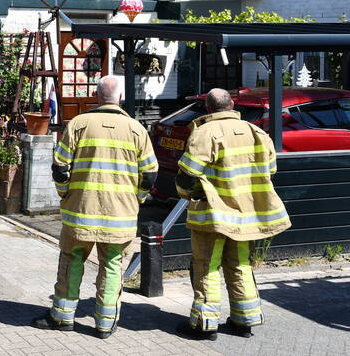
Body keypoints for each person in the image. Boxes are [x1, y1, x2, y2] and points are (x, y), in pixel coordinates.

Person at [32, 75, 158, 339]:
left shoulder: (79, 124)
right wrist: (137, 199)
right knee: (112, 265)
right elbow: (149, 175)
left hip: (80, 212)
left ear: (96, 96)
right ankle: (104, 324)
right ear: (120, 98)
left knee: (72, 259)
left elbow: (60, 169)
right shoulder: (137, 129)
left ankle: (63, 317)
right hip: (120, 216)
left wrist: (65, 196)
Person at [174, 88, 291, 341]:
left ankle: (204, 325)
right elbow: (270, 171)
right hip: (246, 218)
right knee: (240, 265)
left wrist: (188, 194)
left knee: (207, 267)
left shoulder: (205, 132)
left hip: (213, 218)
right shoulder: (256, 132)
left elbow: (187, 175)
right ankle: (244, 320)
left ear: (208, 108)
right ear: (232, 105)